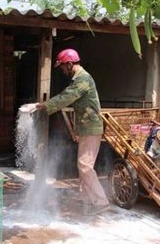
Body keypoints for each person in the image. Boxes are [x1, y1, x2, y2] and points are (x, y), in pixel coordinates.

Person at [36, 48, 109, 215]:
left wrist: (45, 105)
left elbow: (68, 96)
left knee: (85, 166)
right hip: (86, 127)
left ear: (69, 64)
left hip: (91, 128)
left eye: (62, 66)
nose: (61, 70)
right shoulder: (79, 78)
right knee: (82, 165)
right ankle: (87, 199)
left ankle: (100, 202)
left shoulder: (82, 79)